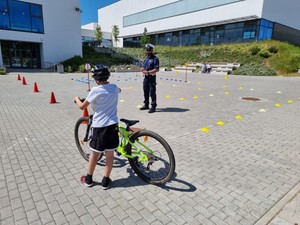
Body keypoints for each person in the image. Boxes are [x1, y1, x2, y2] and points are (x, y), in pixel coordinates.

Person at [74, 66, 120, 190]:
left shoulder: (95, 90)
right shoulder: (114, 88)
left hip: (100, 126)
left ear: (96, 79)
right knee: (109, 153)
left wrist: (77, 99)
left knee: (94, 153)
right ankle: (106, 181)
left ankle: (89, 179)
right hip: (113, 125)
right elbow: (119, 89)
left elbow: (82, 107)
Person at [140, 43, 160, 113]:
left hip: (151, 78)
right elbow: (143, 67)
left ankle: (153, 106)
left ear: (151, 50)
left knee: (152, 92)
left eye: (149, 50)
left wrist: (148, 72)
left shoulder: (155, 59)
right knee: (145, 91)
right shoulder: (146, 59)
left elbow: (157, 69)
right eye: (147, 50)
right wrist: (142, 69)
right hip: (146, 78)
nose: (147, 51)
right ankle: (146, 105)